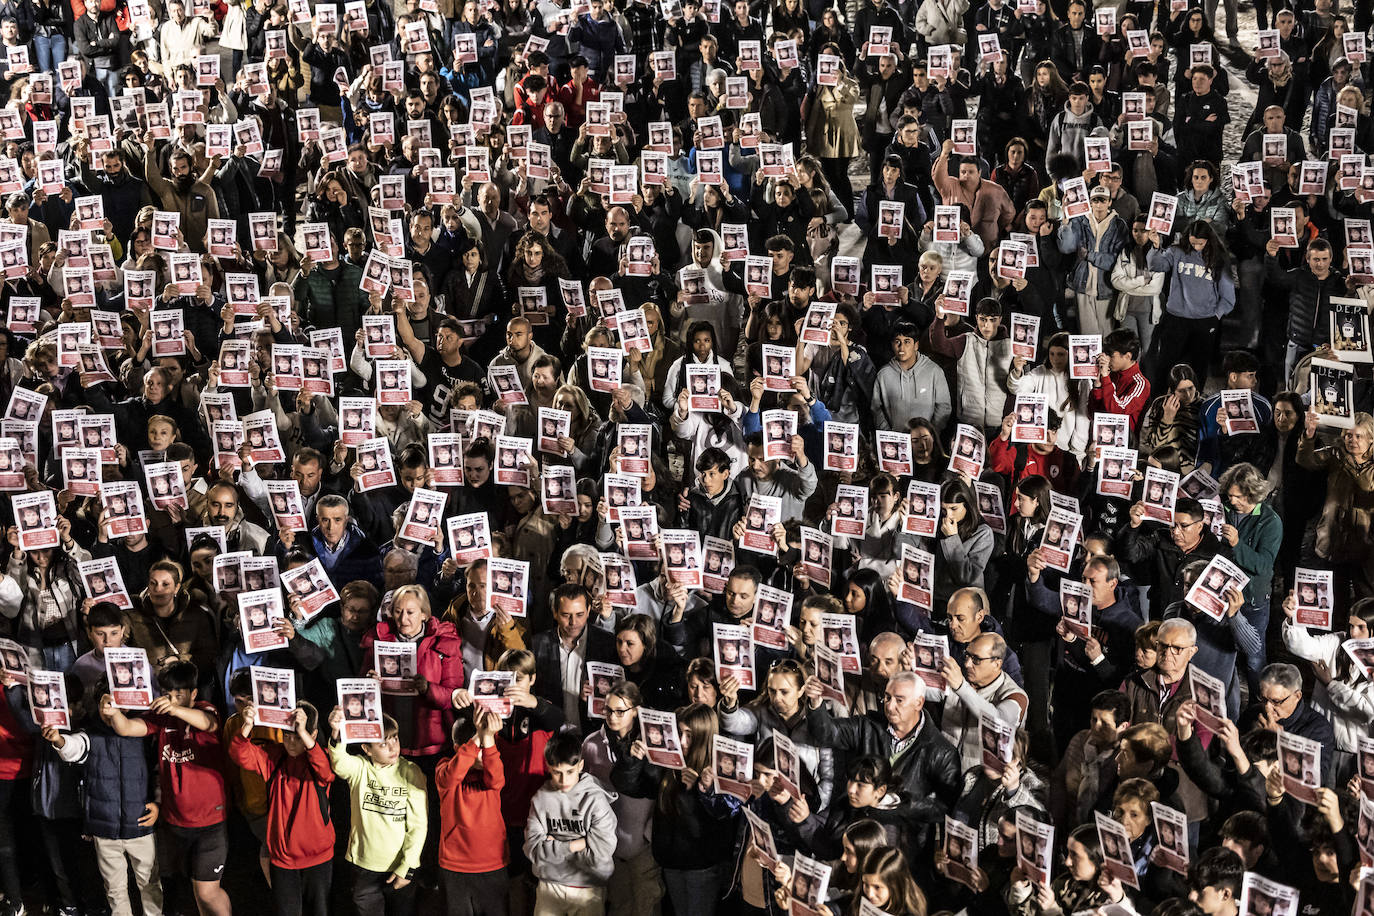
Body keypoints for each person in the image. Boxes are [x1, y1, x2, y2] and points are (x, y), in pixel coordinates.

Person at [325, 709, 428, 916]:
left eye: (395, 739)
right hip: (364, 867)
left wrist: (407, 867)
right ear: (367, 748)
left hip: (399, 867)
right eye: (383, 744)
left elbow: (418, 825)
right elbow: (340, 762)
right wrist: (337, 732)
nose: (393, 747)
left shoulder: (410, 772)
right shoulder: (360, 768)